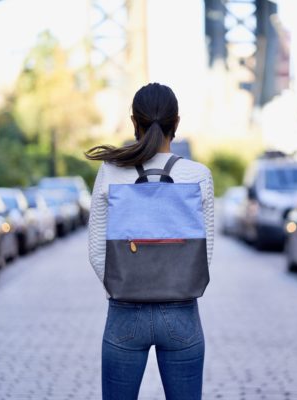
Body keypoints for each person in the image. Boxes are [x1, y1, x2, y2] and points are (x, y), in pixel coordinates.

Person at [85, 82, 215, 400]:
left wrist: (126, 286)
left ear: (134, 123)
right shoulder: (198, 175)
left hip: (125, 314)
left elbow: (95, 250)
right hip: (181, 314)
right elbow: (204, 254)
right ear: (177, 123)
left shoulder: (111, 172)